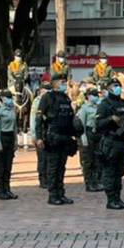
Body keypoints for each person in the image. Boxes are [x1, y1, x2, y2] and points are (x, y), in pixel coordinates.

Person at [35, 73, 77, 205]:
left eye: (65, 81)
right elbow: (39, 119)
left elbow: (70, 118)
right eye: (62, 81)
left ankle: (61, 193)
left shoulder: (65, 98)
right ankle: (53, 195)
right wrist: (39, 137)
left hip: (64, 137)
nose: (64, 84)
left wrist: (74, 134)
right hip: (52, 137)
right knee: (53, 167)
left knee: (61, 167)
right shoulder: (47, 97)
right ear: (54, 83)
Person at [96, 78, 124, 210]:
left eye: (119, 85)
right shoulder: (104, 105)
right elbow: (98, 124)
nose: (117, 88)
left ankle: (118, 198)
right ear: (108, 88)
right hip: (111, 142)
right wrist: (111, 119)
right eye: (114, 86)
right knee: (110, 171)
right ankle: (111, 199)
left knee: (119, 172)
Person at [0, 90, 19, 200]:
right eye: (8, 97)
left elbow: (15, 126)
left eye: (10, 97)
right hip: (1, 137)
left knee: (8, 166)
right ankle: (0, 191)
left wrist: (16, 141)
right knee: (0, 167)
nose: (10, 99)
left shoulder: (12, 108)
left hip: (10, 138)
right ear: (2, 98)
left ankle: (7, 189)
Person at [76, 87, 103, 192]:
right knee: (88, 161)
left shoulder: (99, 107)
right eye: (94, 95)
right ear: (88, 96)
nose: (96, 96)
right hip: (88, 134)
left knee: (97, 161)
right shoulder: (84, 109)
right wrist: (84, 141)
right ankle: (89, 183)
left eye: (97, 94)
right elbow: (81, 126)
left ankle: (96, 182)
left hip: (97, 135)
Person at [30, 81, 51, 189]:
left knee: (50, 158)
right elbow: (33, 119)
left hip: (50, 133)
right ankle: (42, 179)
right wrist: (34, 135)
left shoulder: (52, 99)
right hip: (40, 132)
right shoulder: (37, 102)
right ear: (41, 91)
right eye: (45, 90)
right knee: (42, 158)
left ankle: (49, 178)